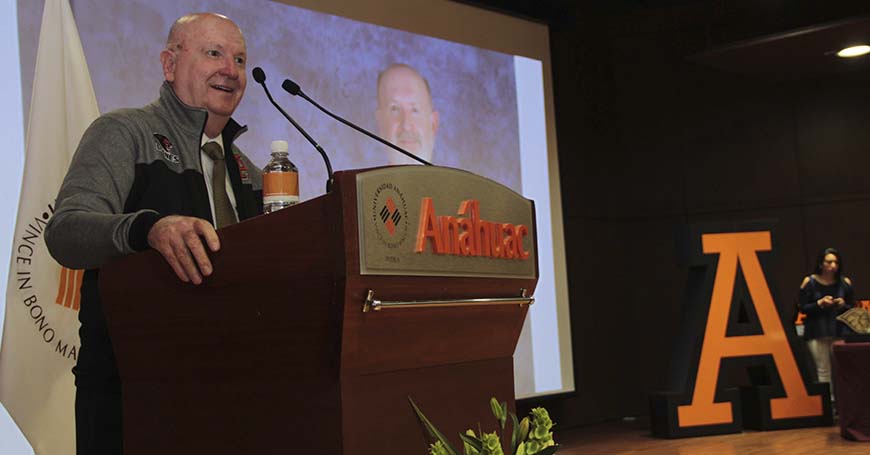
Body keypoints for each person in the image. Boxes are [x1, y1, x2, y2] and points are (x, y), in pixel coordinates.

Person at [44, 12, 262, 454]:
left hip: (233, 399)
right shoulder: (124, 133)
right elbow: (66, 231)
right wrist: (146, 229)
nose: (230, 70)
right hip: (132, 402)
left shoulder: (253, 175)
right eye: (213, 53)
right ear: (169, 64)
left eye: (239, 59)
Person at [797, 247, 854, 400]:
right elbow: (802, 307)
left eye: (836, 262)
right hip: (817, 330)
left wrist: (843, 304)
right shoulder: (810, 282)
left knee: (842, 369)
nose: (833, 265)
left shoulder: (844, 282)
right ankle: (828, 403)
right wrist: (819, 303)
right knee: (823, 369)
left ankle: (843, 401)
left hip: (839, 330)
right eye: (829, 262)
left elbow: (852, 308)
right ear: (821, 264)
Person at [375, 63, 439, 165]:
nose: (406, 125)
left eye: (415, 110)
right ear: (380, 123)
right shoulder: (360, 180)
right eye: (394, 109)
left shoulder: (461, 181)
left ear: (434, 123)